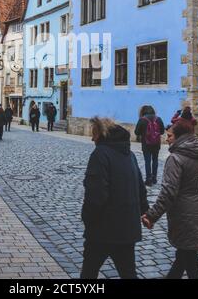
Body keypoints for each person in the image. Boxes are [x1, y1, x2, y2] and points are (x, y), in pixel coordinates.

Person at [81, 117, 148, 279]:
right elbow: (140, 187)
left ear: (101, 134)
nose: (92, 138)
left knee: (89, 273)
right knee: (128, 274)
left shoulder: (100, 154)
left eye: (94, 134)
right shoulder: (129, 154)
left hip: (103, 230)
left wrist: (87, 219)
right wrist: (144, 211)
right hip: (127, 229)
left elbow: (96, 196)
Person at [142, 121, 198, 279]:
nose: (166, 139)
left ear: (180, 137)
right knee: (185, 255)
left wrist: (151, 215)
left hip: (185, 216)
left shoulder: (176, 158)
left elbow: (168, 192)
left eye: (170, 136)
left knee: (189, 261)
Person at [135, 105, 165, 186]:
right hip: (156, 143)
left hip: (146, 144)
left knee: (147, 161)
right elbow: (162, 131)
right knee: (155, 160)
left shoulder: (142, 119)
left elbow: (136, 132)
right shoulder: (158, 119)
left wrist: (144, 132)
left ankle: (148, 179)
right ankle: (154, 178)